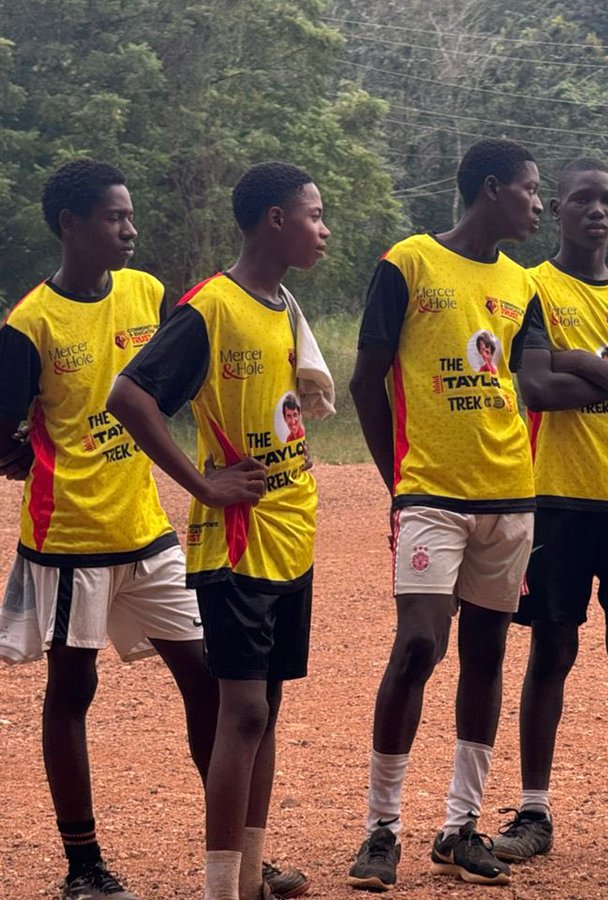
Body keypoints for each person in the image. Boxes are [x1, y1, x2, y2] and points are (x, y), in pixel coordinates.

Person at [108, 160, 329, 900]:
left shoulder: (282, 304)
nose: (323, 229)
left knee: (268, 711)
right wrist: (203, 483)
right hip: (234, 544)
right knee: (243, 712)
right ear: (275, 219)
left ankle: (247, 876)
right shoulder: (212, 306)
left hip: (290, 535)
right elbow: (129, 395)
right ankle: (217, 889)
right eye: (314, 214)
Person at [0, 159, 219, 900]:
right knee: (72, 688)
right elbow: (2, 431)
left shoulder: (146, 293)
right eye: (114, 217)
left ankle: (234, 853)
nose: (130, 229)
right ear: (71, 225)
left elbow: (165, 386)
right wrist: (19, 454)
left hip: (146, 528)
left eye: (130, 216)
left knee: (207, 678)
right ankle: (83, 865)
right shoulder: (30, 325)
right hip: (69, 541)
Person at [345, 138, 542, 891]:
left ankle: (460, 827)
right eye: (528, 189)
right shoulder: (409, 263)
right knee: (419, 645)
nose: (537, 201)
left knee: (487, 657)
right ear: (491, 189)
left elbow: (533, 381)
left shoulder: (522, 285)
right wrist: (396, 479)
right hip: (430, 492)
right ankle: (381, 830)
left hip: (510, 495)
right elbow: (367, 380)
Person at [488, 157, 608, 865]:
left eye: (607, 200)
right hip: (555, 495)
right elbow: (538, 388)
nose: (594, 211)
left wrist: (590, 364)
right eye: (580, 200)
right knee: (552, 649)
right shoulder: (532, 287)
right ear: (559, 210)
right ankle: (534, 811)